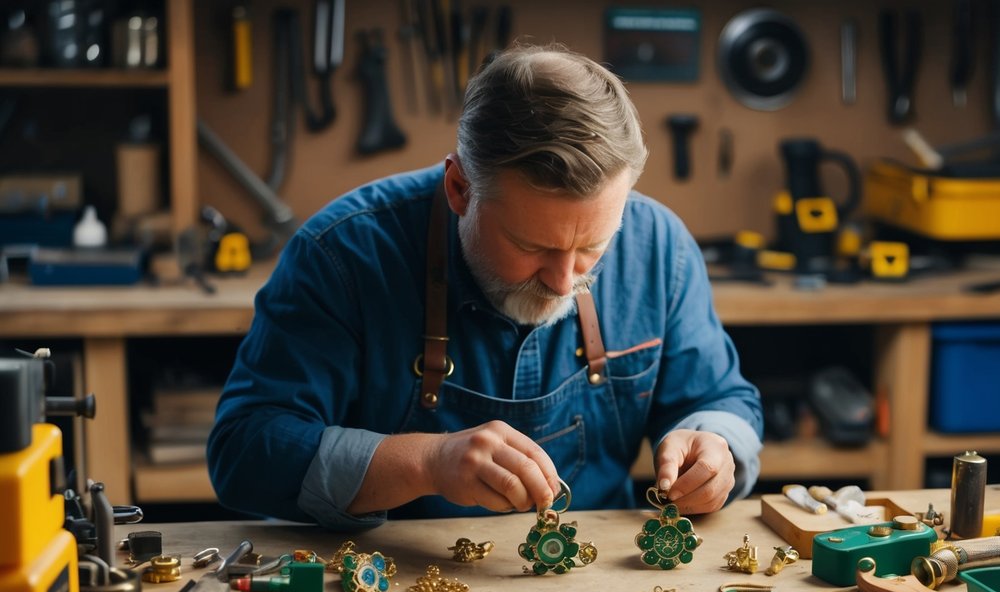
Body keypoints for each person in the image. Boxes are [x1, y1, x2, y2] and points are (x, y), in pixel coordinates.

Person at [208, 44, 763, 530]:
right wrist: (425, 463)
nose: (564, 279)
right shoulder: (343, 254)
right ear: (459, 188)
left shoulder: (658, 245)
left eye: (593, 247)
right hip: (393, 583)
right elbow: (245, 453)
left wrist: (717, 447)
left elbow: (720, 399)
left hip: (597, 589)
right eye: (533, 246)